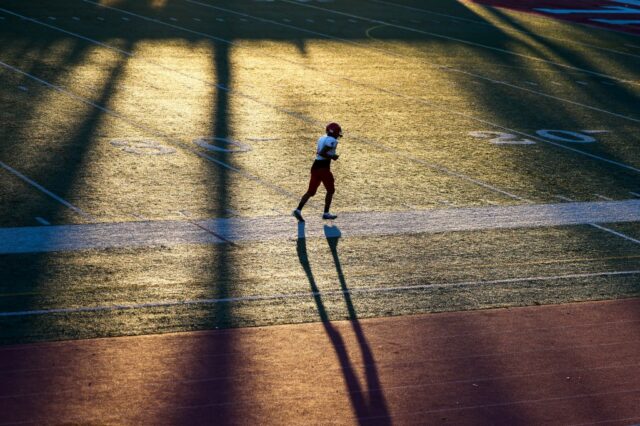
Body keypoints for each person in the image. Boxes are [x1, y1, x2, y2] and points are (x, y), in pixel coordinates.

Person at [293, 122, 343, 222]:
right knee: (330, 190)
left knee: (311, 192)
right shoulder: (332, 140)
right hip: (323, 168)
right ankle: (326, 213)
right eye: (337, 132)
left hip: (315, 166)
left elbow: (319, 152)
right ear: (334, 132)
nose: (338, 134)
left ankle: (298, 210)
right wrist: (333, 157)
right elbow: (322, 152)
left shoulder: (322, 138)